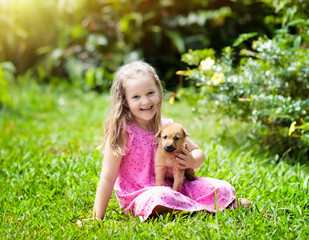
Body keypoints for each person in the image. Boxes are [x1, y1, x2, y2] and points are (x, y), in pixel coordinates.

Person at [81, 60, 250, 224]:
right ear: (125, 101)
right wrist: (97, 217)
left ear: (159, 91)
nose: (145, 101)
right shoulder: (123, 131)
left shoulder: (166, 126)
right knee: (161, 197)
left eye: (150, 93)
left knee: (220, 187)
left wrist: (192, 160)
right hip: (142, 195)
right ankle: (213, 207)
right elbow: (108, 176)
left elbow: (198, 153)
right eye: (136, 97)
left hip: (176, 188)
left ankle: (197, 205)